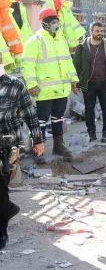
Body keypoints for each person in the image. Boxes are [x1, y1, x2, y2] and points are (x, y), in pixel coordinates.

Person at [21, 8, 79, 164]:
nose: (56, 24)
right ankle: (38, 151)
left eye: (57, 21)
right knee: (40, 121)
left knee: (58, 118)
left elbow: (68, 62)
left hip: (61, 90)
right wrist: (31, 85)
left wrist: (74, 80)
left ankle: (58, 146)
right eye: (52, 21)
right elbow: (28, 65)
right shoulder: (35, 41)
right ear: (44, 24)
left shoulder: (61, 40)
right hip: (43, 91)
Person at [0, 61, 45, 250]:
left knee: (0, 187)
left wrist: (38, 140)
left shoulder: (14, 85)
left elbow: (30, 114)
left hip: (7, 146)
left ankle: (1, 231)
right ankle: (8, 208)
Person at [73, 22, 106, 143]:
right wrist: (75, 83)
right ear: (91, 32)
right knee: (89, 110)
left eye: (101, 31)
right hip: (88, 84)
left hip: (105, 83)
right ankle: (91, 133)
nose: (100, 33)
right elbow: (76, 66)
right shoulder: (82, 47)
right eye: (97, 31)